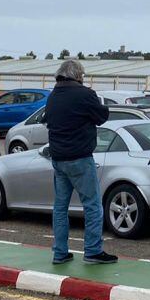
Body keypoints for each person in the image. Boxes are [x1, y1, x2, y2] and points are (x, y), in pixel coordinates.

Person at [43, 59, 116, 264]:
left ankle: (60, 252)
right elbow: (102, 117)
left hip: (58, 159)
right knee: (92, 206)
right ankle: (93, 251)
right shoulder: (85, 94)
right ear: (77, 76)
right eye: (82, 75)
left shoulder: (52, 96)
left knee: (60, 207)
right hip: (80, 158)